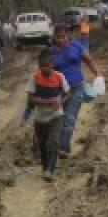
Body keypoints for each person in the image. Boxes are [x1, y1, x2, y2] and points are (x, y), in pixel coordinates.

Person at [49, 23, 102, 159]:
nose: (60, 40)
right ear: (54, 37)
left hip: (76, 88)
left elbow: (89, 60)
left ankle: (63, 148)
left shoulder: (76, 47)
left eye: (63, 37)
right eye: (58, 37)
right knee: (56, 118)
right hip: (58, 91)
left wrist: (98, 74)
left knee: (69, 118)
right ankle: (51, 145)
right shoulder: (51, 52)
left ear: (68, 36)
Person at [26, 48, 68, 180]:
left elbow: (67, 93)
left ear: (52, 64)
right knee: (42, 144)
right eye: (42, 66)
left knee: (53, 141)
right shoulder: (34, 78)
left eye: (48, 65)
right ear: (39, 66)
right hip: (40, 117)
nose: (45, 68)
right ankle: (45, 168)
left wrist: (60, 102)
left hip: (56, 115)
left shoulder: (59, 77)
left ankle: (50, 170)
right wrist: (46, 101)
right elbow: (31, 98)